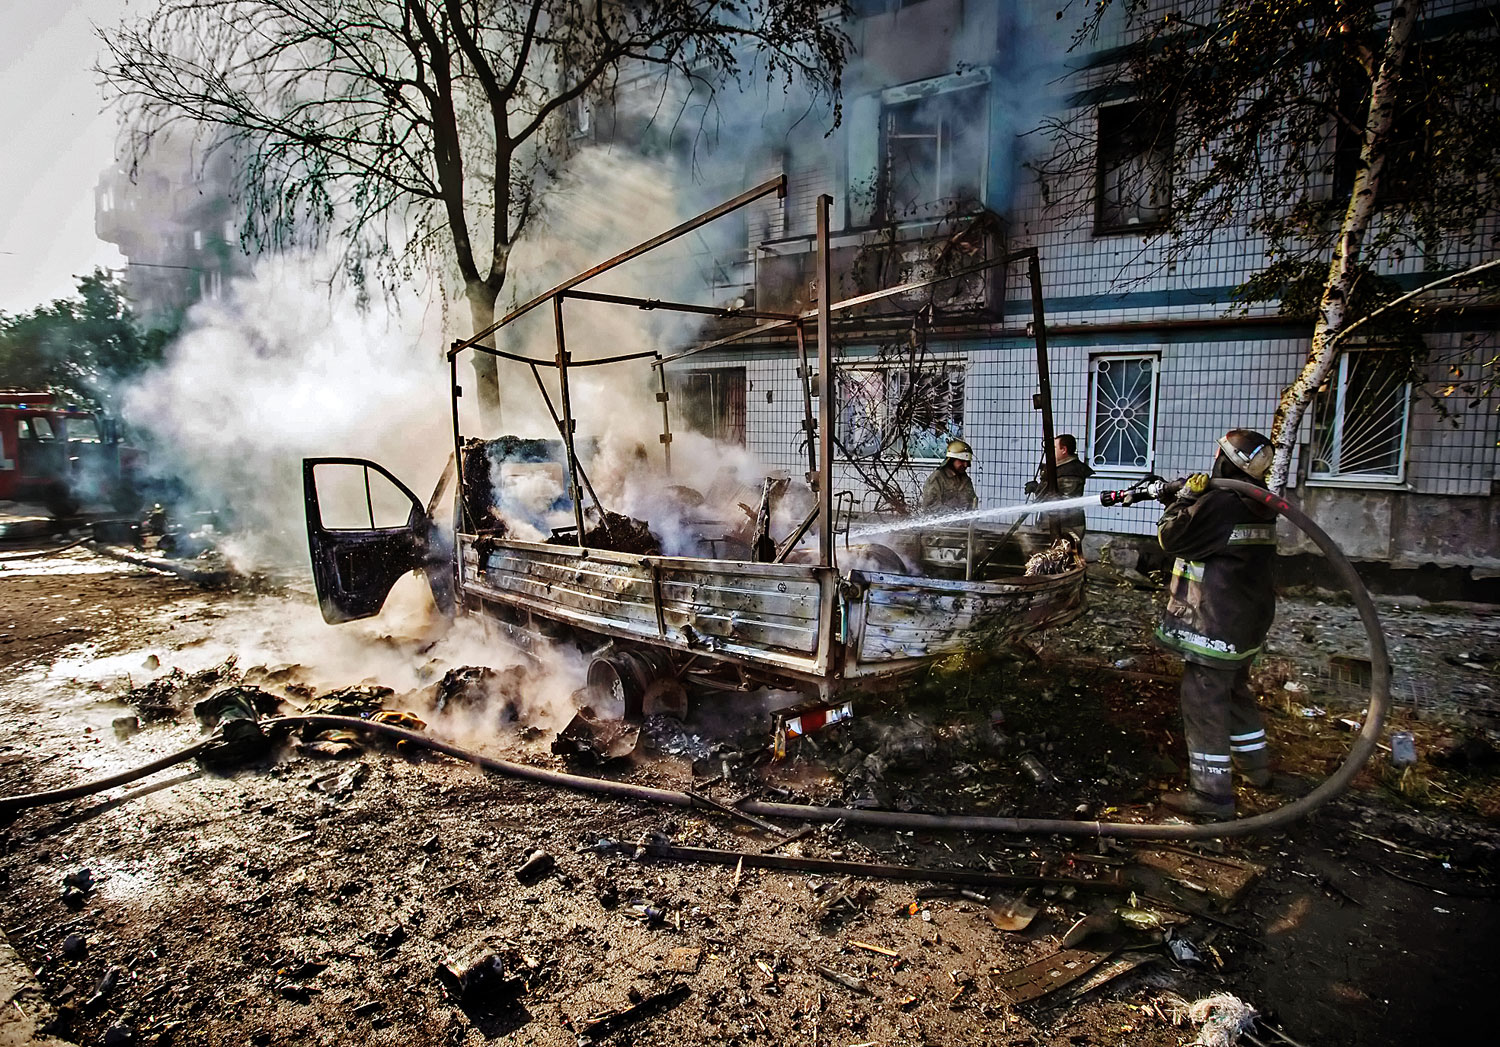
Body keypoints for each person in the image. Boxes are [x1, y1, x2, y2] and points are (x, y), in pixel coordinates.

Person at [1154, 429, 1279, 820]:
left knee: (1203, 697)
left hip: (1214, 619)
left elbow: (1171, 537)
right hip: (1245, 618)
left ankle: (1211, 796)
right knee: (1234, 688)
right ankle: (1255, 767)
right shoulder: (1257, 502)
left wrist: (1186, 499)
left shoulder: (1220, 503)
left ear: (1224, 459)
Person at [1025, 435, 1095, 534]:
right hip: (1053, 525)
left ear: (1064, 450)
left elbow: (1064, 502)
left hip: (1066, 527)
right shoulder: (1059, 467)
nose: (1050, 451)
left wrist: (1040, 492)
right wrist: (1037, 488)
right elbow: (1053, 489)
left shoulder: (1071, 471)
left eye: (1054, 448)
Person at [920, 439, 979, 512]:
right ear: (952, 460)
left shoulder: (965, 479)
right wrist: (953, 514)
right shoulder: (937, 478)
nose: (965, 465)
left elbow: (970, 501)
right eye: (962, 461)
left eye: (967, 462)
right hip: (941, 523)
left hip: (962, 522)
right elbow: (931, 505)